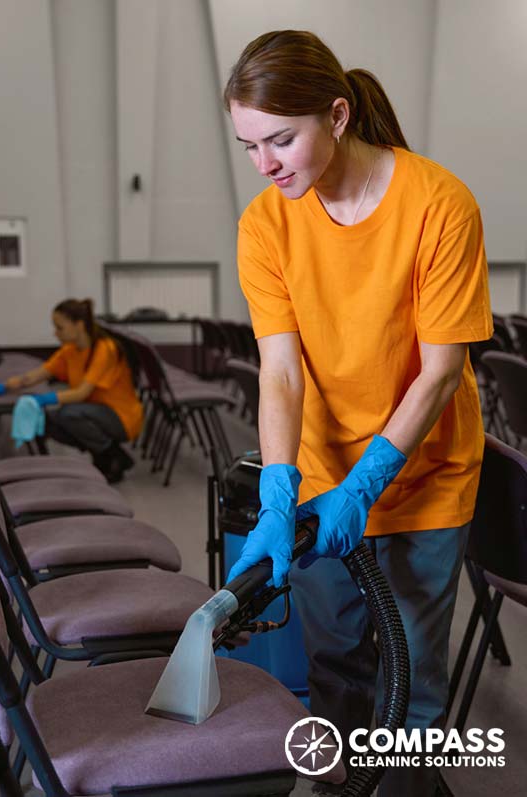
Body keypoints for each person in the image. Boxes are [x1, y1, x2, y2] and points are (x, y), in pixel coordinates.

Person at [224, 30, 492, 796]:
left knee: (413, 668)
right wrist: (280, 489)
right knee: (336, 660)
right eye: (249, 145)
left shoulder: (439, 205)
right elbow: (279, 370)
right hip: (319, 473)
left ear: (337, 116)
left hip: (423, 473)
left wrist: (369, 481)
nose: (266, 163)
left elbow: (442, 371)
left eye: (281, 139)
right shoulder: (264, 225)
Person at [0, 299, 143, 483]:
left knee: (69, 414)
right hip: (93, 411)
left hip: (121, 417)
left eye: (60, 328)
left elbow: (81, 393)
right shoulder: (69, 351)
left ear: (79, 325)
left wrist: (43, 399)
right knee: (48, 421)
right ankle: (107, 454)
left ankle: (111, 455)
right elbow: (33, 377)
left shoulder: (105, 349)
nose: (55, 333)